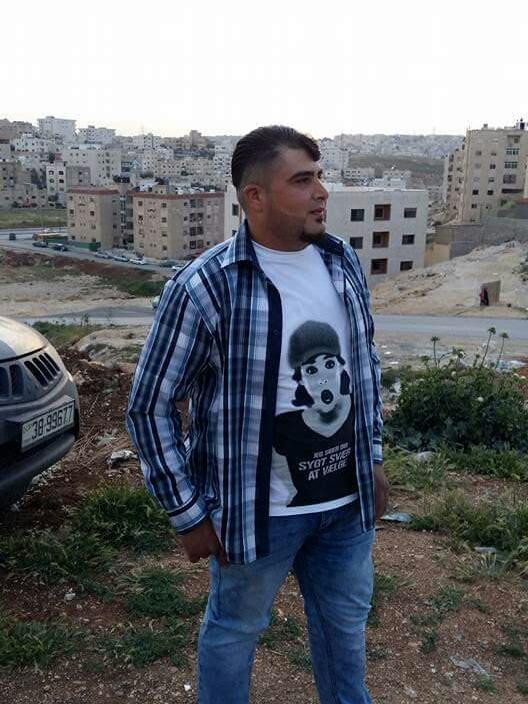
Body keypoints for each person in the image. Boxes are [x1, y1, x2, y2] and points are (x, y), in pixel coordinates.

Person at [126, 125, 389, 704]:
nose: (322, 192)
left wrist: (371, 456)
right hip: (255, 514)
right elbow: (150, 407)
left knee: (345, 628)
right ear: (255, 196)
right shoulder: (206, 286)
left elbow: (364, 365)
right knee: (234, 632)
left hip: (345, 507)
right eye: (303, 180)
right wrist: (188, 513)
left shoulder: (341, 261)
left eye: (321, 176)